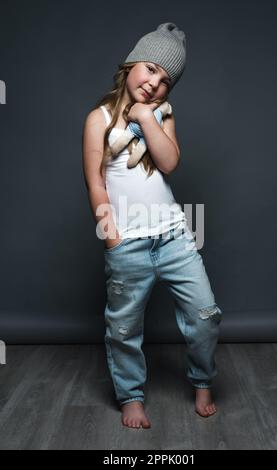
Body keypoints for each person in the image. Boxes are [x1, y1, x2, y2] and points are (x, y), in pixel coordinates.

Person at [82, 22, 223, 429]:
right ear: (129, 66)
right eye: (150, 68)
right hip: (127, 242)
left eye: (165, 80)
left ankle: (201, 381)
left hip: (175, 235)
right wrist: (110, 236)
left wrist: (146, 117)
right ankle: (131, 396)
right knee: (124, 326)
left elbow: (169, 162)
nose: (154, 83)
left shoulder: (161, 114)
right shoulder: (100, 118)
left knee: (204, 314)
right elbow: (95, 180)